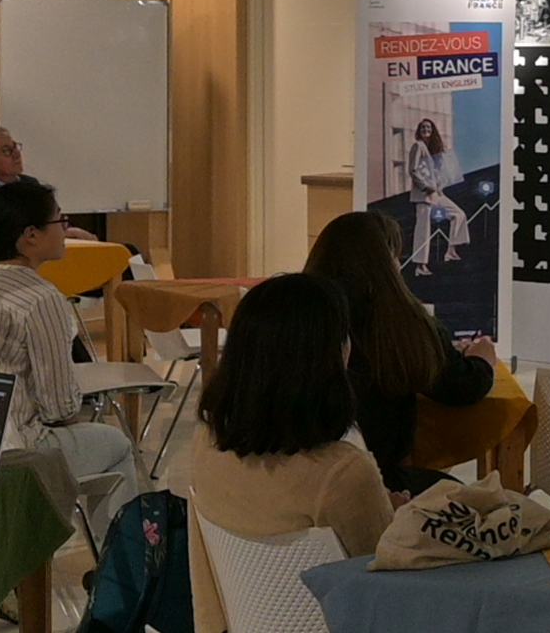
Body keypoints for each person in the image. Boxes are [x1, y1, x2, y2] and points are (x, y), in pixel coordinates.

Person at [188, 273, 397, 633]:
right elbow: (390, 587)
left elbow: (205, 590)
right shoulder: (342, 473)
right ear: (331, 357)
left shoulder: (205, 445)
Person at [0, 181, 139, 528]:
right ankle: (121, 569)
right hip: (14, 450)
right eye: (60, 221)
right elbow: (59, 406)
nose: (65, 229)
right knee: (117, 443)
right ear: (30, 235)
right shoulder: (40, 297)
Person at [302, 210, 495, 494]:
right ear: (385, 263)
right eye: (395, 256)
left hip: (293, 475)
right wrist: (482, 359)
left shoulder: (298, 312)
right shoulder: (399, 321)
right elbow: (459, 386)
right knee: (474, 501)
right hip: (376, 480)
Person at [0, 127, 96, 240]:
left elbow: (53, 217)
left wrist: (70, 231)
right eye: (6, 151)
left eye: (15, 147)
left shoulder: (31, 184)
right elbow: (3, 234)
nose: (16, 154)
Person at [405, 119, 467, 275]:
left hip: (436, 194)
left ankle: (451, 250)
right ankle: (420, 266)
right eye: (423, 127)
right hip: (424, 195)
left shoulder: (430, 150)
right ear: (419, 130)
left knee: (459, 214)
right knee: (423, 230)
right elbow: (413, 170)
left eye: (429, 127)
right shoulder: (418, 146)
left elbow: (437, 173)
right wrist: (425, 187)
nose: (426, 129)